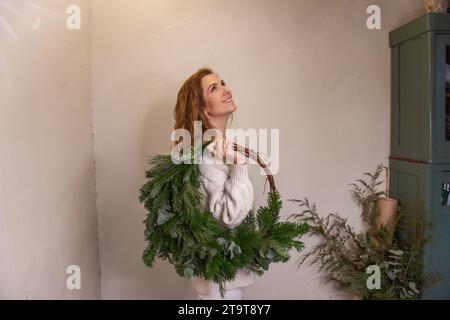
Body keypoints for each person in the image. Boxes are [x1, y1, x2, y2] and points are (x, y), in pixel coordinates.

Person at [173, 67, 255, 300]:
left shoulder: (219, 148)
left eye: (223, 83)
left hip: (223, 279)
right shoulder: (206, 157)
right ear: (201, 107)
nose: (225, 89)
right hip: (218, 284)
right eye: (214, 88)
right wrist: (239, 165)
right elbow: (228, 217)